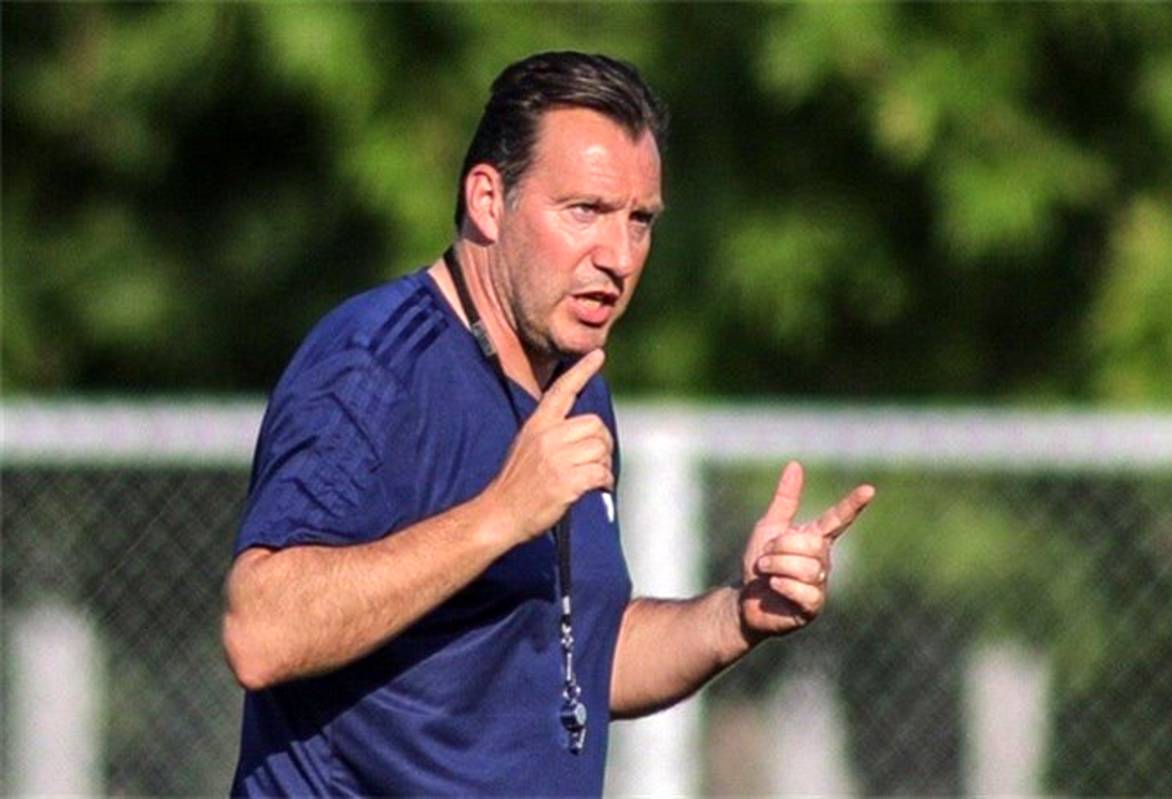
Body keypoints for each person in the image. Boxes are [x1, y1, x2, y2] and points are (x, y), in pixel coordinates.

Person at [222, 51, 874, 796]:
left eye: (639, 221)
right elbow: (260, 631)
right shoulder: (373, 363)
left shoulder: (575, 383)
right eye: (585, 211)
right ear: (487, 200)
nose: (618, 256)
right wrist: (501, 514)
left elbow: (585, 659)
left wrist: (738, 614)